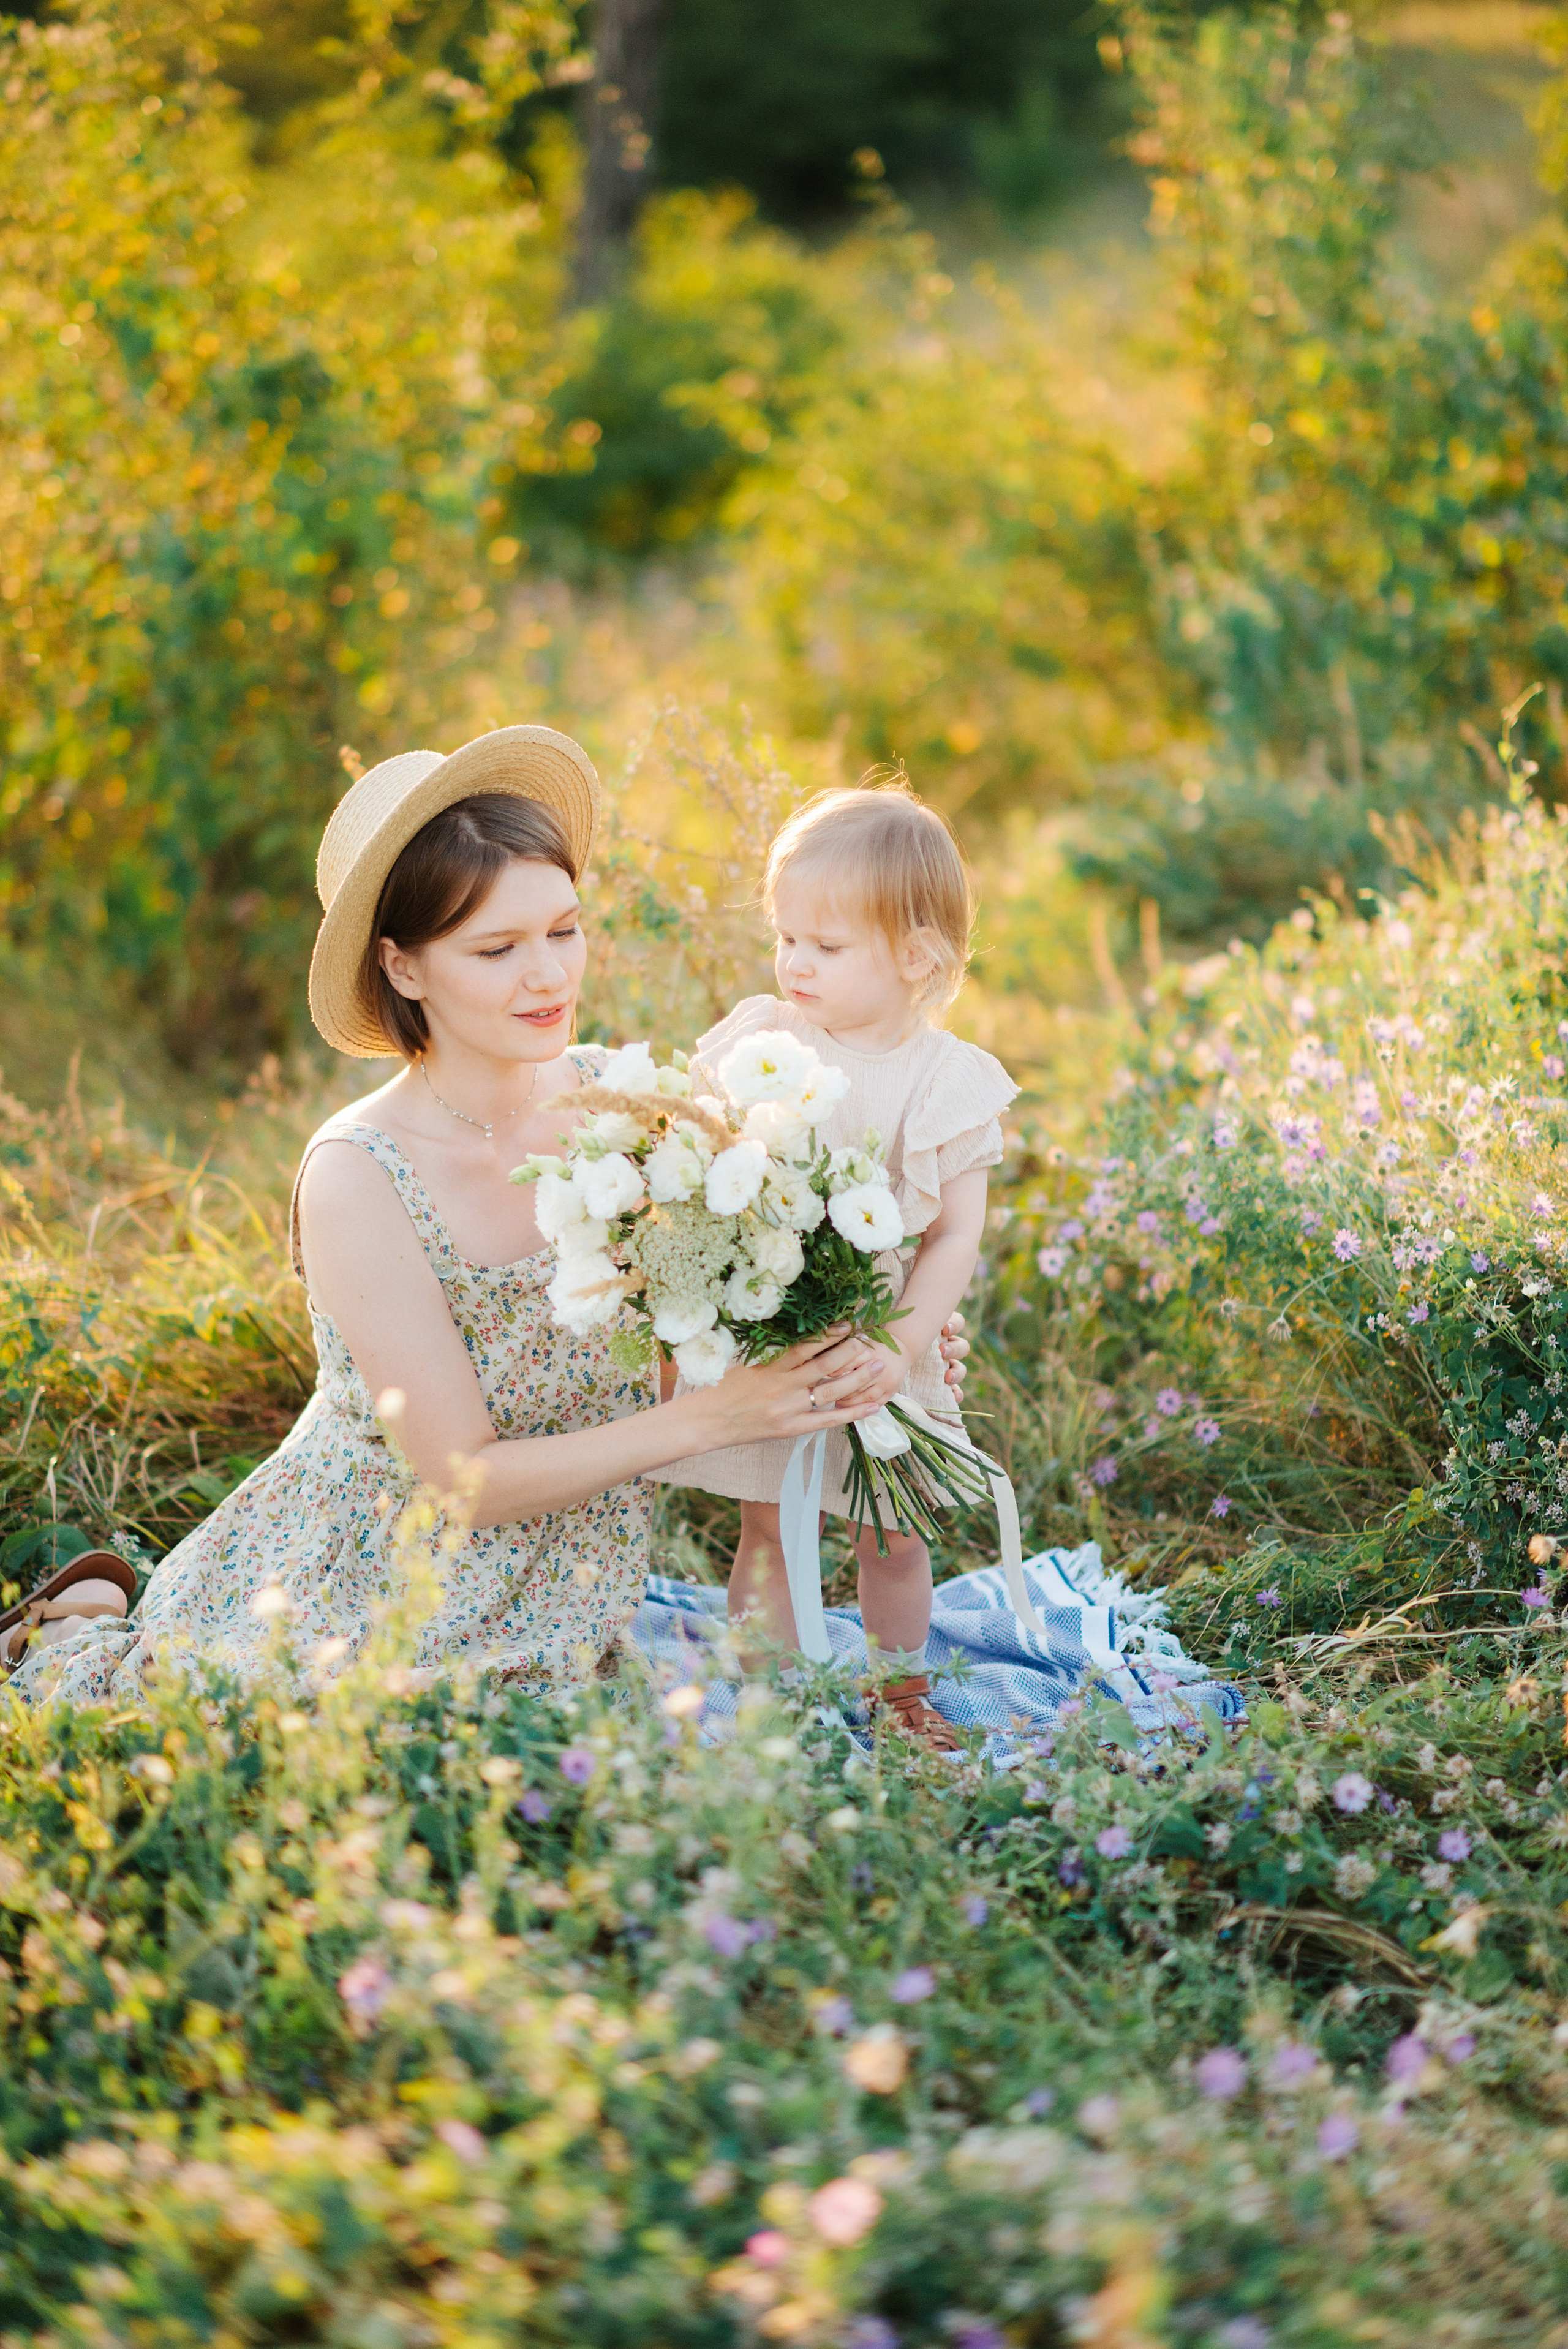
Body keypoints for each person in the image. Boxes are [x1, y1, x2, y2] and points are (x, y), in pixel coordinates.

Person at [5, 726, 967, 1705]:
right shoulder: (359, 1175)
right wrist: (713, 1418)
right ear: (405, 967)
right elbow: (461, 1482)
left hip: (568, 1574)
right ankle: (81, 1624)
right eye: (498, 948)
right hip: (373, 1565)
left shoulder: (622, 1107)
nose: (549, 976)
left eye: (564, 929)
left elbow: (683, 1330)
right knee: (319, 1751)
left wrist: (863, 1341)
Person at [657, 775, 1017, 1755]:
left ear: (916, 954)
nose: (795, 962)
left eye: (825, 945)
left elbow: (952, 1235)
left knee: (894, 1534)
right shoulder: (767, 1041)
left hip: (884, 1346)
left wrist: (902, 1346)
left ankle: (897, 1693)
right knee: (771, 1526)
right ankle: (767, 1694)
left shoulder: (946, 1081)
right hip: (779, 1326)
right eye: (786, 938)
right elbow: (703, 1167)